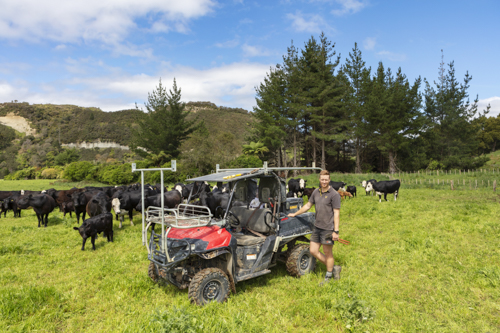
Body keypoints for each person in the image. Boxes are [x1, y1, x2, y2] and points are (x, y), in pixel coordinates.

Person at [288, 170, 341, 285]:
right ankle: (334, 267)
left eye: (326, 179)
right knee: (313, 250)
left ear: (329, 180)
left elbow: (336, 213)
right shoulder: (316, 192)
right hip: (317, 227)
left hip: (328, 228)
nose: (324, 181)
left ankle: (328, 275)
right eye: (322, 179)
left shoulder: (334, 194)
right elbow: (308, 205)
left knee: (327, 252)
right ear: (319, 180)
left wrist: (335, 231)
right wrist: (295, 213)